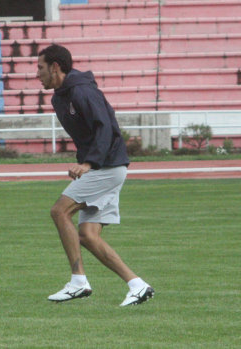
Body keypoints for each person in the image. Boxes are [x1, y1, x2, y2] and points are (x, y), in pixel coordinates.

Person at [36, 44, 154, 306]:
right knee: (88, 235)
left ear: (55, 67)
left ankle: (78, 282)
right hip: (106, 166)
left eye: (40, 68)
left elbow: (105, 128)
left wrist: (89, 163)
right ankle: (137, 285)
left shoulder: (82, 90)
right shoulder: (59, 96)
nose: (37, 74)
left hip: (107, 166)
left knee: (59, 211)